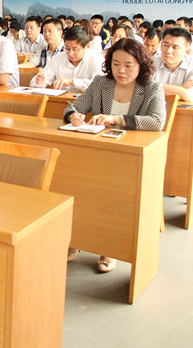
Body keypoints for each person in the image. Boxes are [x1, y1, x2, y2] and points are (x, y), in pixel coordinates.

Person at [63, 38, 165, 273]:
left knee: (113, 194)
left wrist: (116, 119)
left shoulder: (152, 88)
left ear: (141, 65)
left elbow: (157, 122)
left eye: (128, 65)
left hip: (132, 157)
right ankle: (77, 239)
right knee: (76, 184)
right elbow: (72, 107)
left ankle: (108, 248)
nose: (121, 70)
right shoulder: (102, 83)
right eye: (116, 64)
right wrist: (74, 117)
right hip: (99, 152)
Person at [31, 26, 103, 91]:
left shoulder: (96, 59)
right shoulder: (58, 58)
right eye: (67, 49)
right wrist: (39, 81)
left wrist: (72, 82)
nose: (70, 53)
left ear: (87, 46)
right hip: (62, 100)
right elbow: (35, 82)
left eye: (75, 50)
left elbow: (100, 84)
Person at [153, 27, 193, 105]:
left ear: (187, 52)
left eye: (175, 47)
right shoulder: (151, 63)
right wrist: (180, 89)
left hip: (187, 110)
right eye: (166, 45)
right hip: (156, 110)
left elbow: (188, 95)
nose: (168, 51)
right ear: (161, 44)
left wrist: (154, 88)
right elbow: (142, 89)